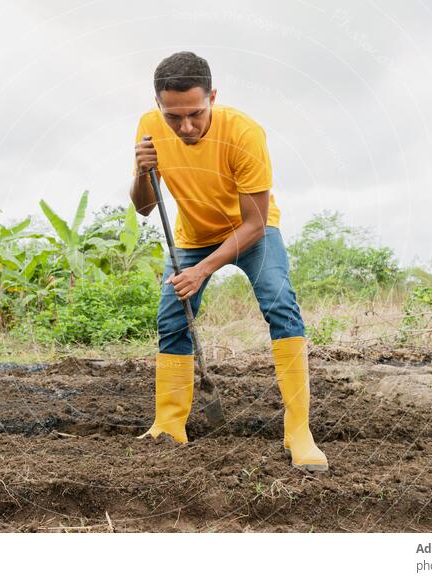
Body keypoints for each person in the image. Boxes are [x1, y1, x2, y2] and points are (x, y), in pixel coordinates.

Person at [130, 51, 328, 472]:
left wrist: (203, 270)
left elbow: (255, 224)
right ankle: (168, 424)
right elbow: (145, 208)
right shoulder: (149, 128)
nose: (185, 127)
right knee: (172, 318)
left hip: (250, 230)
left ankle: (299, 430)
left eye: (195, 114)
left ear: (213, 97)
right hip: (192, 236)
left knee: (280, 304)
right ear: (158, 106)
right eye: (173, 117)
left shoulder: (244, 133)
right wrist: (140, 173)